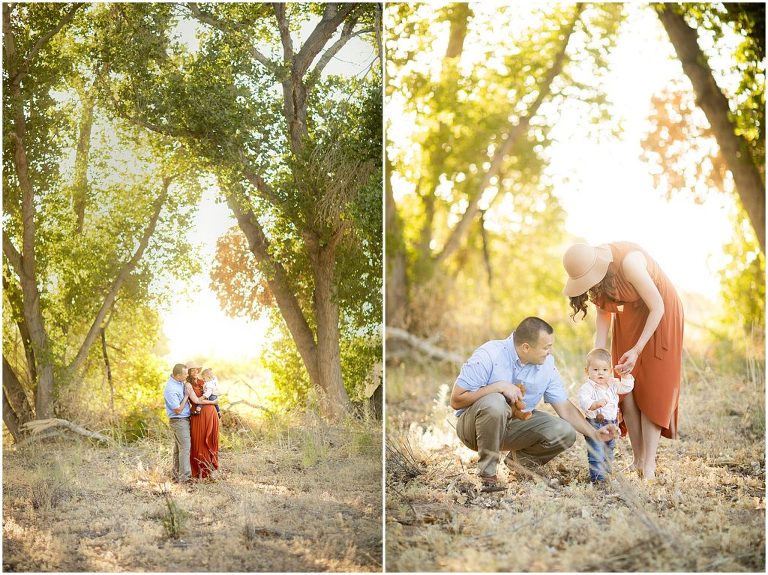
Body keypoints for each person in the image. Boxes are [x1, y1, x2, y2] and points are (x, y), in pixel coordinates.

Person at [563, 241, 684, 480]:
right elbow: (604, 316)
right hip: (628, 318)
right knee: (623, 387)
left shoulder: (630, 263)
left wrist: (638, 349)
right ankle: (637, 459)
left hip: (659, 314)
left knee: (651, 389)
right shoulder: (596, 278)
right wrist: (596, 355)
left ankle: (648, 465)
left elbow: (657, 306)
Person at [450, 316, 617, 489]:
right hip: (474, 430)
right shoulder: (489, 354)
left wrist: (594, 434)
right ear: (526, 348)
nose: (550, 352)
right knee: (495, 401)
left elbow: (565, 408)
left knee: (565, 432)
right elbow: (456, 399)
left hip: (514, 425)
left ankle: (518, 465)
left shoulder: (546, 365)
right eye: (546, 347)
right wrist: (498, 387)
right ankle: (487, 476)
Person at [577, 348, 635, 482]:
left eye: (604, 370)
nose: (600, 373)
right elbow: (583, 401)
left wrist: (625, 377)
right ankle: (598, 478)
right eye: (595, 370)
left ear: (610, 371)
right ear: (587, 371)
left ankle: (607, 473)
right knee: (596, 451)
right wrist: (594, 404)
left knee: (609, 450)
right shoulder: (587, 388)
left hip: (612, 423)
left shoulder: (613, 384)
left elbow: (626, 388)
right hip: (595, 423)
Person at [184, 362, 220, 479]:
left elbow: (214, 392)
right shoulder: (187, 384)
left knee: (211, 440)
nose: (195, 372)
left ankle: (210, 472)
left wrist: (215, 402)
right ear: (187, 372)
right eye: (192, 370)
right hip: (198, 416)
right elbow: (196, 401)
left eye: (196, 370)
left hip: (211, 413)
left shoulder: (203, 381)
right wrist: (213, 402)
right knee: (199, 443)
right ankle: (200, 473)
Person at [163, 363, 191, 483]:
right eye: (185, 374)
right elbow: (178, 410)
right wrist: (186, 396)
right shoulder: (171, 389)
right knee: (185, 448)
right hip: (179, 421)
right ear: (178, 375)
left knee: (178, 448)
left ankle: (175, 475)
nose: (187, 375)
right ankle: (185, 478)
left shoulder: (179, 382)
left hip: (183, 420)